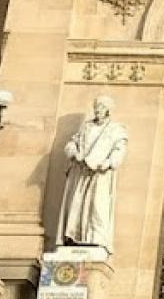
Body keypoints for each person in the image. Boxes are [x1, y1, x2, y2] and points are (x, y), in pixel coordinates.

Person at [57, 95, 128, 254]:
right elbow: (72, 144)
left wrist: (109, 163)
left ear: (108, 110)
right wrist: (74, 153)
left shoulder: (116, 129)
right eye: (96, 106)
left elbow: (119, 149)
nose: (97, 110)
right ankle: (74, 238)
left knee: (97, 206)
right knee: (77, 205)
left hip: (100, 173)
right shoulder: (86, 127)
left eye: (101, 107)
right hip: (81, 172)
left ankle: (96, 238)